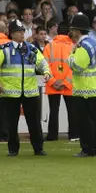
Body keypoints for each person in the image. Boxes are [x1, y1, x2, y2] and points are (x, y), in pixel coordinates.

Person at [0, 19, 50, 156]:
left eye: (23, 31)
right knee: (11, 123)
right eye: (18, 31)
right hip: (10, 93)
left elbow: (42, 62)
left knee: (34, 122)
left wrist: (46, 72)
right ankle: (13, 149)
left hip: (30, 91)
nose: (22, 33)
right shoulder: (5, 50)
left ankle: (38, 148)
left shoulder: (31, 48)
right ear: (12, 34)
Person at [68, 14, 96, 157]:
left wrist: (70, 55)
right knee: (92, 119)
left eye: (73, 29)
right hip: (93, 86)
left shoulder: (83, 46)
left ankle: (87, 148)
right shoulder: (94, 42)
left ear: (77, 30)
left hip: (83, 88)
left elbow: (77, 66)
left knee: (84, 121)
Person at [43, 22, 78, 142]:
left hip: (53, 84)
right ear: (69, 32)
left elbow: (44, 66)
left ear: (57, 31)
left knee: (53, 110)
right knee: (72, 110)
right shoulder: (74, 46)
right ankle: (73, 135)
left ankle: (52, 135)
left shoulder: (49, 46)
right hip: (68, 84)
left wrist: (53, 82)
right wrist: (66, 83)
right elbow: (74, 67)